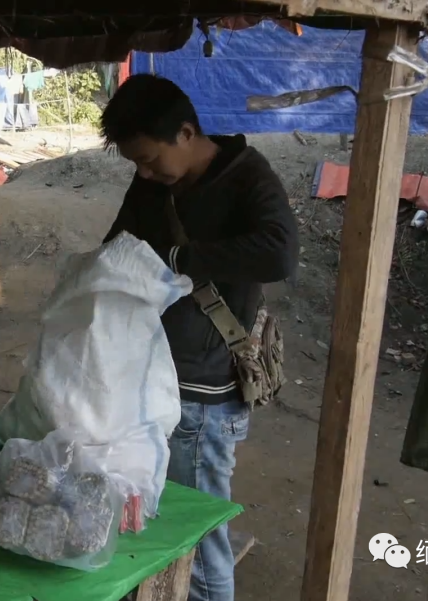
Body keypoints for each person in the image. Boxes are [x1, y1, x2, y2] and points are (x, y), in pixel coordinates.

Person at [100, 74, 299, 601]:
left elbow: (280, 254)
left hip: (204, 397)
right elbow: (119, 242)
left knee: (199, 537)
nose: (144, 172)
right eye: (135, 164)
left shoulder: (247, 177)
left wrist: (184, 259)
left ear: (186, 132)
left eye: (148, 158)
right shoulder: (154, 183)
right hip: (151, 382)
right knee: (153, 513)